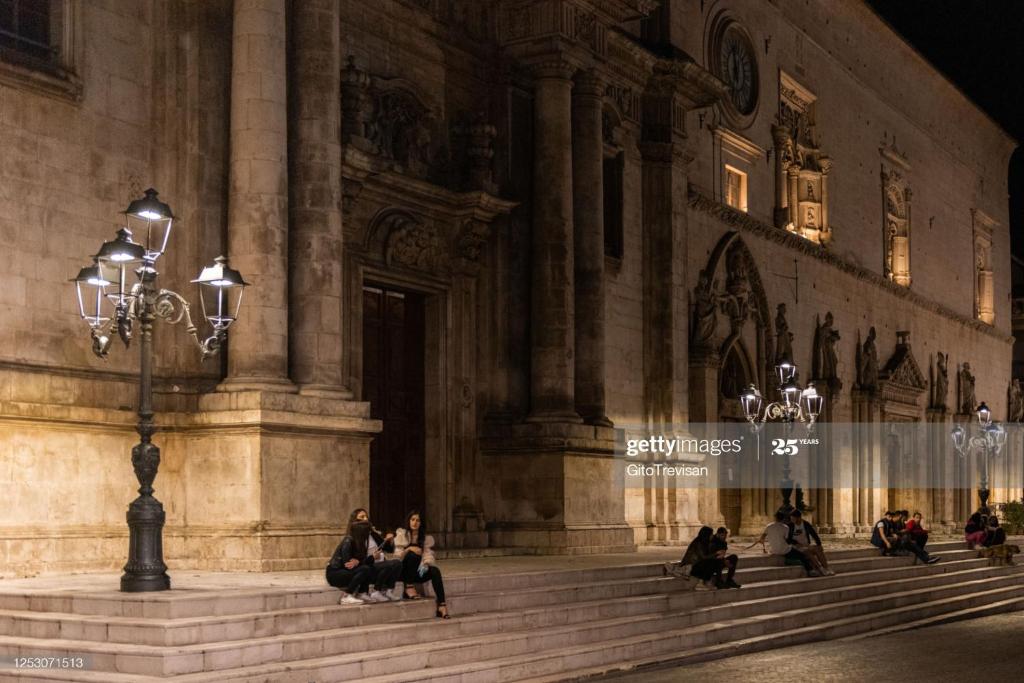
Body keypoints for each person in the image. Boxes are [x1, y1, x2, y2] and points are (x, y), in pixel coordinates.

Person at [394, 510, 450, 618]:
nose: (415, 523)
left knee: (435, 571)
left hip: (417, 573)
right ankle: (408, 587)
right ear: (409, 521)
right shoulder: (402, 535)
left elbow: (428, 556)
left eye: (418, 520)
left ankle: (442, 605)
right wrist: (409, 549)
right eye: (412, 520)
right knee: (412, 555)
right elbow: (397, 557)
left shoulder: (425, 538)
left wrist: (425, 565)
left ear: (421, 523)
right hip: (403, 573)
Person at [350, 508, 402, 602]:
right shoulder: (354, 538)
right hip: (367, 568)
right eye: (362, 517)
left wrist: (390, 540)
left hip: (379, 564)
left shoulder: (372, 534)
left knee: (397, 563)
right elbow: (358, 560)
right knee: (391, 564)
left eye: (366, 516)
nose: (365, 519)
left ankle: (388, 591)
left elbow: (389, 549)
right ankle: (375, 591)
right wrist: (372, 557)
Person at [326, 519, 373, 604]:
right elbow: (347, 564)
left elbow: (362, 560)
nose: (369, 534)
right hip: (335, 574)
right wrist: (358, 562)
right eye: (367, 532)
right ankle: (346, 596)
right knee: (365, 569)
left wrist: (358, 561)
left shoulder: (360, 543)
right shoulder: (348, 541)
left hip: (345, 571)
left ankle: (362, 593)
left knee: (368, 566)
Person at [753, 511, 815, 576]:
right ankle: (810, 571)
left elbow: (762, 538)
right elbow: (787, 540)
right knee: (802, 556)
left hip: (774, 550)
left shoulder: (769, 526)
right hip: (785, 550)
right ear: (783, 519)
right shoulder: (785, 527)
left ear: (775, 518)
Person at [787, 509, 834, 575]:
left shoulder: (806, 524)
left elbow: (814, 534)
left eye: (793, 518)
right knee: (807, 552)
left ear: (798, 517)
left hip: (806, 545)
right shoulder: (790, 526)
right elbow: (788, 539)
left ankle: (826, 568)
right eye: (791, 518)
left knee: (818, 549)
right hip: (796, 546)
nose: (791, 520)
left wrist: (819, 544)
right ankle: (820, 568)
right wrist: (796, 543)